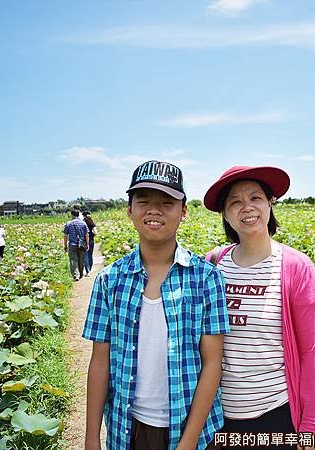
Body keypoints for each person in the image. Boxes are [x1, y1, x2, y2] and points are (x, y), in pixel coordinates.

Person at [83, 160, 229, 450]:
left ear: (184, 211)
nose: (154, 210)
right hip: (128, 428)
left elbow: (212, 363)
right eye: (144, 201)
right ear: (129, 210)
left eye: (167, 202)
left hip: (193, 429)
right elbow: (100, 361)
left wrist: (187, 443)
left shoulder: (206, 278)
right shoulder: (109, 280)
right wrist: (91, 439)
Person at [203, 166, 315, 450]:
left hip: (274, 416)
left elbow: (312, 354)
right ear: (225, 214)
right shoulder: (213, 264)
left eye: (255, 198)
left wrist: (311, 426)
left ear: (270, 203)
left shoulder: (296, 267)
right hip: (218, 416)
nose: (247, 207)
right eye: (234, 201)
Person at [63, 209, 89, 281]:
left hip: (72, 244)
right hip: (82, 244)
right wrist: (87, 244)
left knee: (73, 260)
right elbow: (87, 234)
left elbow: (65, 235)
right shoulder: (83, 223)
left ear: (72, 215)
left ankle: (75, 275)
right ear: (78, 215)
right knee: (81, 259)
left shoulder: (68, 223)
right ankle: (81, 273)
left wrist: (65, 245)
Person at [82, 211, 97, 276]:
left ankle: (87, 271)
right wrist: (92, 235)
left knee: (85, 256)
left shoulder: (82, 223)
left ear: (84, 216)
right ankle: (90, 269)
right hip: (91, 240)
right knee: (90, 255)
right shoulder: (92, 223)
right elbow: (96, 232)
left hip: (84, 241)